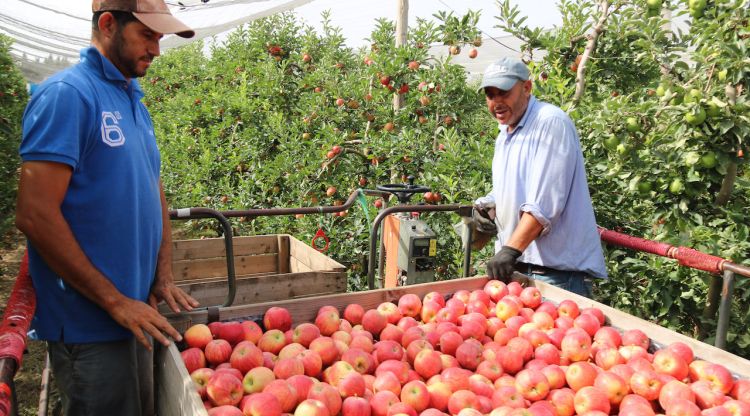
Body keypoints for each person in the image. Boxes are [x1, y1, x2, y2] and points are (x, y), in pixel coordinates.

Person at [15, 1, 198, 414]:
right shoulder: (68, 96)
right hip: (91, 326)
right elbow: (34, 213)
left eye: (160, 38)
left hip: (135, 315)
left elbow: (153, 185)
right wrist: (114, 300)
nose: (156, 50)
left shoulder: (133, 99)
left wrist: (161, 272)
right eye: (147, 35)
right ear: (109, 24)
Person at [472, 56, 607, 297]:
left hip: (557, 276)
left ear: (526, 87)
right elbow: (513, 190)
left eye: (503, 92)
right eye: (490, 95)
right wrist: (488, 206)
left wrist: (510, 250)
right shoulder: (505, 134)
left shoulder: (550, 123)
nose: (496, 102)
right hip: (523, 268)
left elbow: (544, 203)